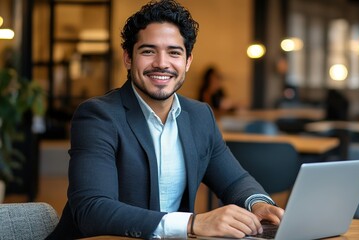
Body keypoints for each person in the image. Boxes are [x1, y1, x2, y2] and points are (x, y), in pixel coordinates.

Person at [47, 0, 283, 239]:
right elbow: (92, 210)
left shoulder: (200, 116)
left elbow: (235, 180)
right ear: (128, 58)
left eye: (174, 52)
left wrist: (258, 204)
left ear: (187, 61)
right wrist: (192, 223)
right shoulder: (98, 116)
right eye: (148, 51)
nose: (162, 63)